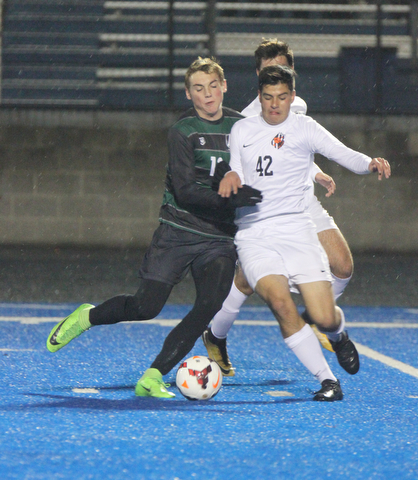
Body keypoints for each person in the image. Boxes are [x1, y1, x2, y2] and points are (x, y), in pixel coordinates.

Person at [46, 57, 262, 399]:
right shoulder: (182, 131)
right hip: (178, 230)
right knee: (145, 308)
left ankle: (152, 375)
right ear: (188, 94)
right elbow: (187, 192)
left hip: (220, 238)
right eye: (198, 89)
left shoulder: (246, 127)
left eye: (212, 86)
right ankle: (89, 316)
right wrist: (235, 199)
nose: (207, 94)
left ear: (225, 86)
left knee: (209, 304)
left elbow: (271, 163)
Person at [217, 65, 391, 400]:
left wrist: (369, 162)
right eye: (268, 97)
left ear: (292, 97)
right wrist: (230, 180)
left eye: (282, 97)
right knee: (281, 304)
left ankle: (338, 336)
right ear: (260, 97)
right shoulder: (242, 130)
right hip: (255, 235)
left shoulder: (304, 127)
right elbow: (236, 170)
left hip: (299, 233)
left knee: (325, 317)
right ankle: (328, 381)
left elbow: (342, 153)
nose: (274, 104)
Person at [202, 38, 354, 376]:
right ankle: (215, 333)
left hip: (302, 203)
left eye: (283, 68)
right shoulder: (247, 120)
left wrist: (315, 172)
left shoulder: (295, 103)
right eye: (269, 70)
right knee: (247, 281)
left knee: (342, 266)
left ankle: (317, 316)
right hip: (265, 212)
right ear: (258, 74)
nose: (277, 74)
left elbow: (294, 146)